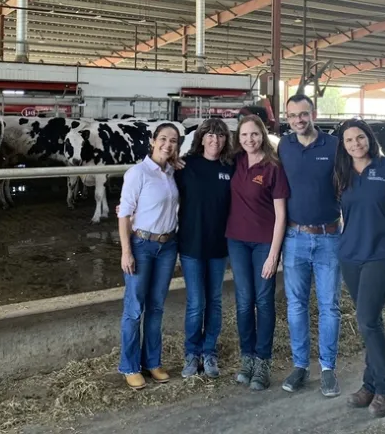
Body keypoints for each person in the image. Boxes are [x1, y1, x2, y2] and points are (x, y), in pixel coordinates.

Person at [333, 119, 385, 416]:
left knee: (367, 319)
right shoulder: (342, 173)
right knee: (368, 321)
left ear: (369, 139)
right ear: (343, 146)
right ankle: (370, 382)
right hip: (350, 253)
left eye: (360, 138)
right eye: (349, 140)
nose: (355, 144)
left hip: (381, 253)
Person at [278, 94, 342, 398]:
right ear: (287, 117)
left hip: (329, 235)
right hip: (294, 238)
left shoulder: (333, 146)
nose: (298, 120)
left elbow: (348, 183)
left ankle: (328, 368)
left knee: (329, 305)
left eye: (303, 114)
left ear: (313, 114)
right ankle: (300, 365)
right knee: (296, 305)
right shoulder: (284, 146)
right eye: (292, 116)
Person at [225, 114, 289, 391]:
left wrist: (274, 254)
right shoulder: (235, 162)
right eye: (244, 135)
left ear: (262, 135)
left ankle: (263, 361)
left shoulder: (273, 166)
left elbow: (281, 214)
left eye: (254, 134)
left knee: (263, 301)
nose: (249, 139)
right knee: (243, 301)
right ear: (237, 139)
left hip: (264, 243)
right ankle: (246, 358)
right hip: (236, 241)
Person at [116, 122, 181, 390]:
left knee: (156, 307)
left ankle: (152, 362)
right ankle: (129, 366)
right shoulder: (137, 173)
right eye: (163, 139)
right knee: (134, 308)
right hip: (142, 245)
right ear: (152, 141)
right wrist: (126, 251)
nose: (167, 144)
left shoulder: (172, 172)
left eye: (173, 141)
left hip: (167, 246)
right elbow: (124, 213)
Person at [176, 119, 235, 379]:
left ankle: (209, 352)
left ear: (226, 140)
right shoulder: (185, 166)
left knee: (215, 302)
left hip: (219, 246)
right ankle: (192, 353)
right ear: (200, 138)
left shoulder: (230, 168)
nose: (215, 140)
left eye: (220, 136)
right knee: (196, 303)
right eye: (210, 135)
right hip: (191, 245)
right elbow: (161, 189)